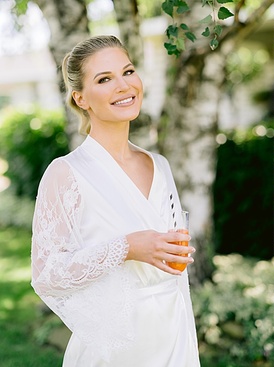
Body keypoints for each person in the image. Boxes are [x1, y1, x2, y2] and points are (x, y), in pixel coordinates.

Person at [30, 35, 199, 366]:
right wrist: (126, 248)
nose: (124, 86)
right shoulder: (65, 173)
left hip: (173, 334)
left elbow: (178, 270)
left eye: (128, 71)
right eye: (104, 79)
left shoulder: (159, 166)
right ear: (81, 98)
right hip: (115, 346)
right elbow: (47, 275)